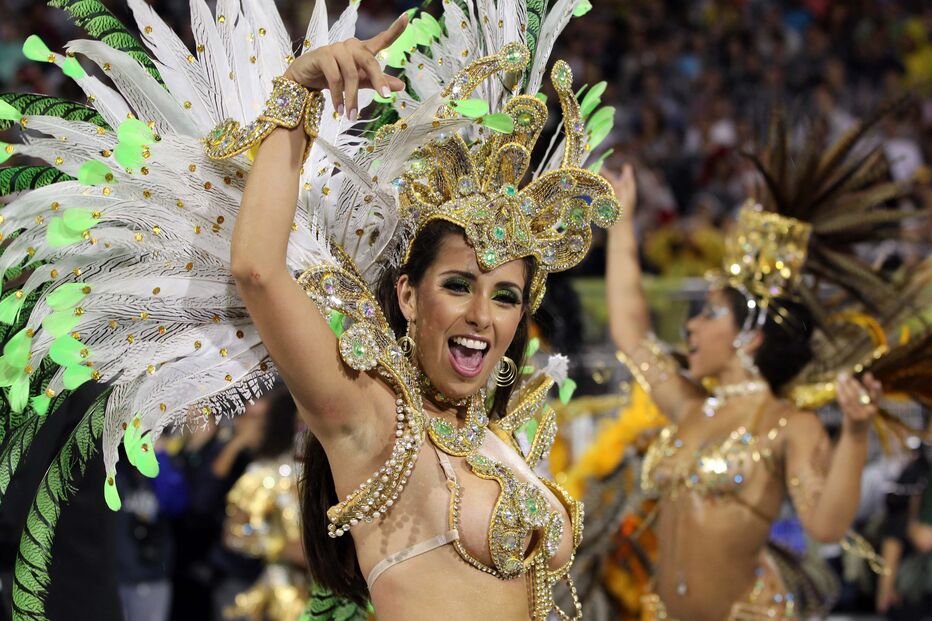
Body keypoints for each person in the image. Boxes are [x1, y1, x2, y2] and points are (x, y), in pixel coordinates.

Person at [0, 1, 618, 619]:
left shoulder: (494, 436)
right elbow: (259, 271)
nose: (483, 314)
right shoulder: (371, 419)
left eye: (505, 296)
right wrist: (297, 93)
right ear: (408, 296)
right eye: (459, 285)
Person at [603, 112, 925, 620]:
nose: (691, 327)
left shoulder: (787, 424)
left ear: (750, 337)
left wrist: (856, 433)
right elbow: (631, 332)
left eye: (709, 313)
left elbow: (824, 525)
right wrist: (622, 224)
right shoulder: (690, 406)